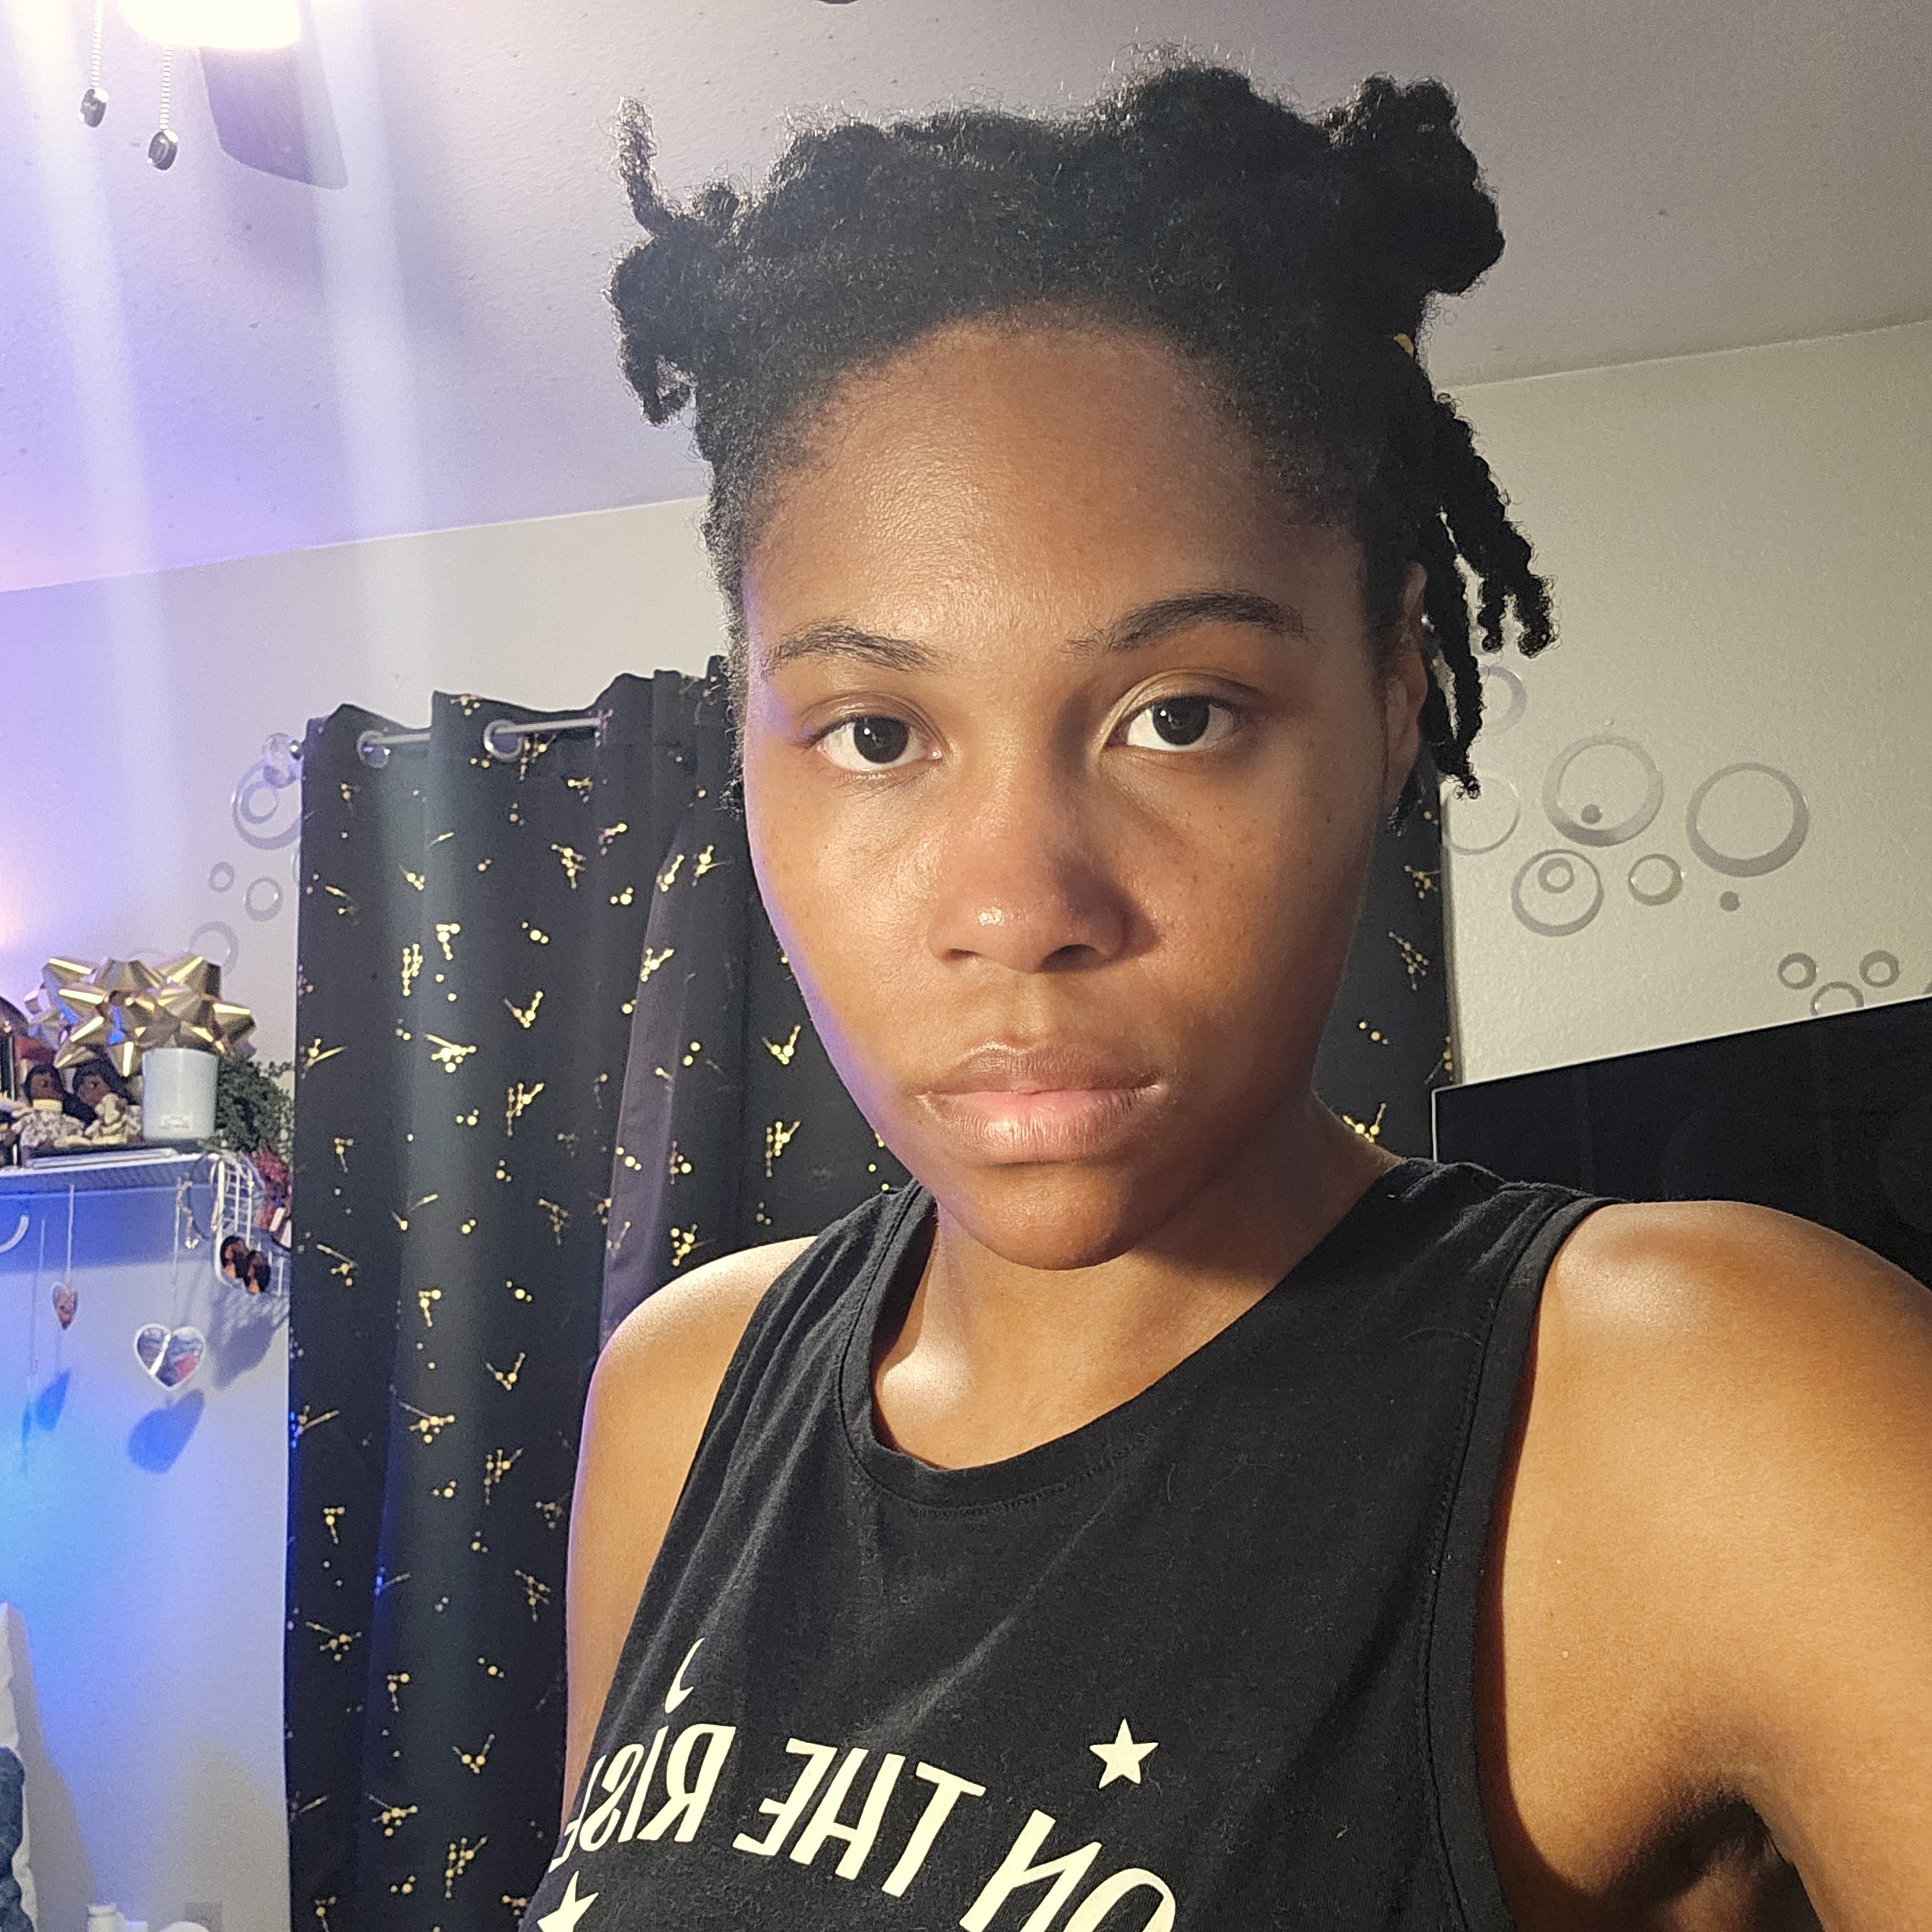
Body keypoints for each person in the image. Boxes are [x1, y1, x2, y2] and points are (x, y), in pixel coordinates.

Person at [526, 62, 1932, 1931]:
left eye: (1178, 716)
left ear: (1393, 697)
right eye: (874, 733)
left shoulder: (1713, 1400)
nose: (1021, 908)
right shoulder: (684, 1389)